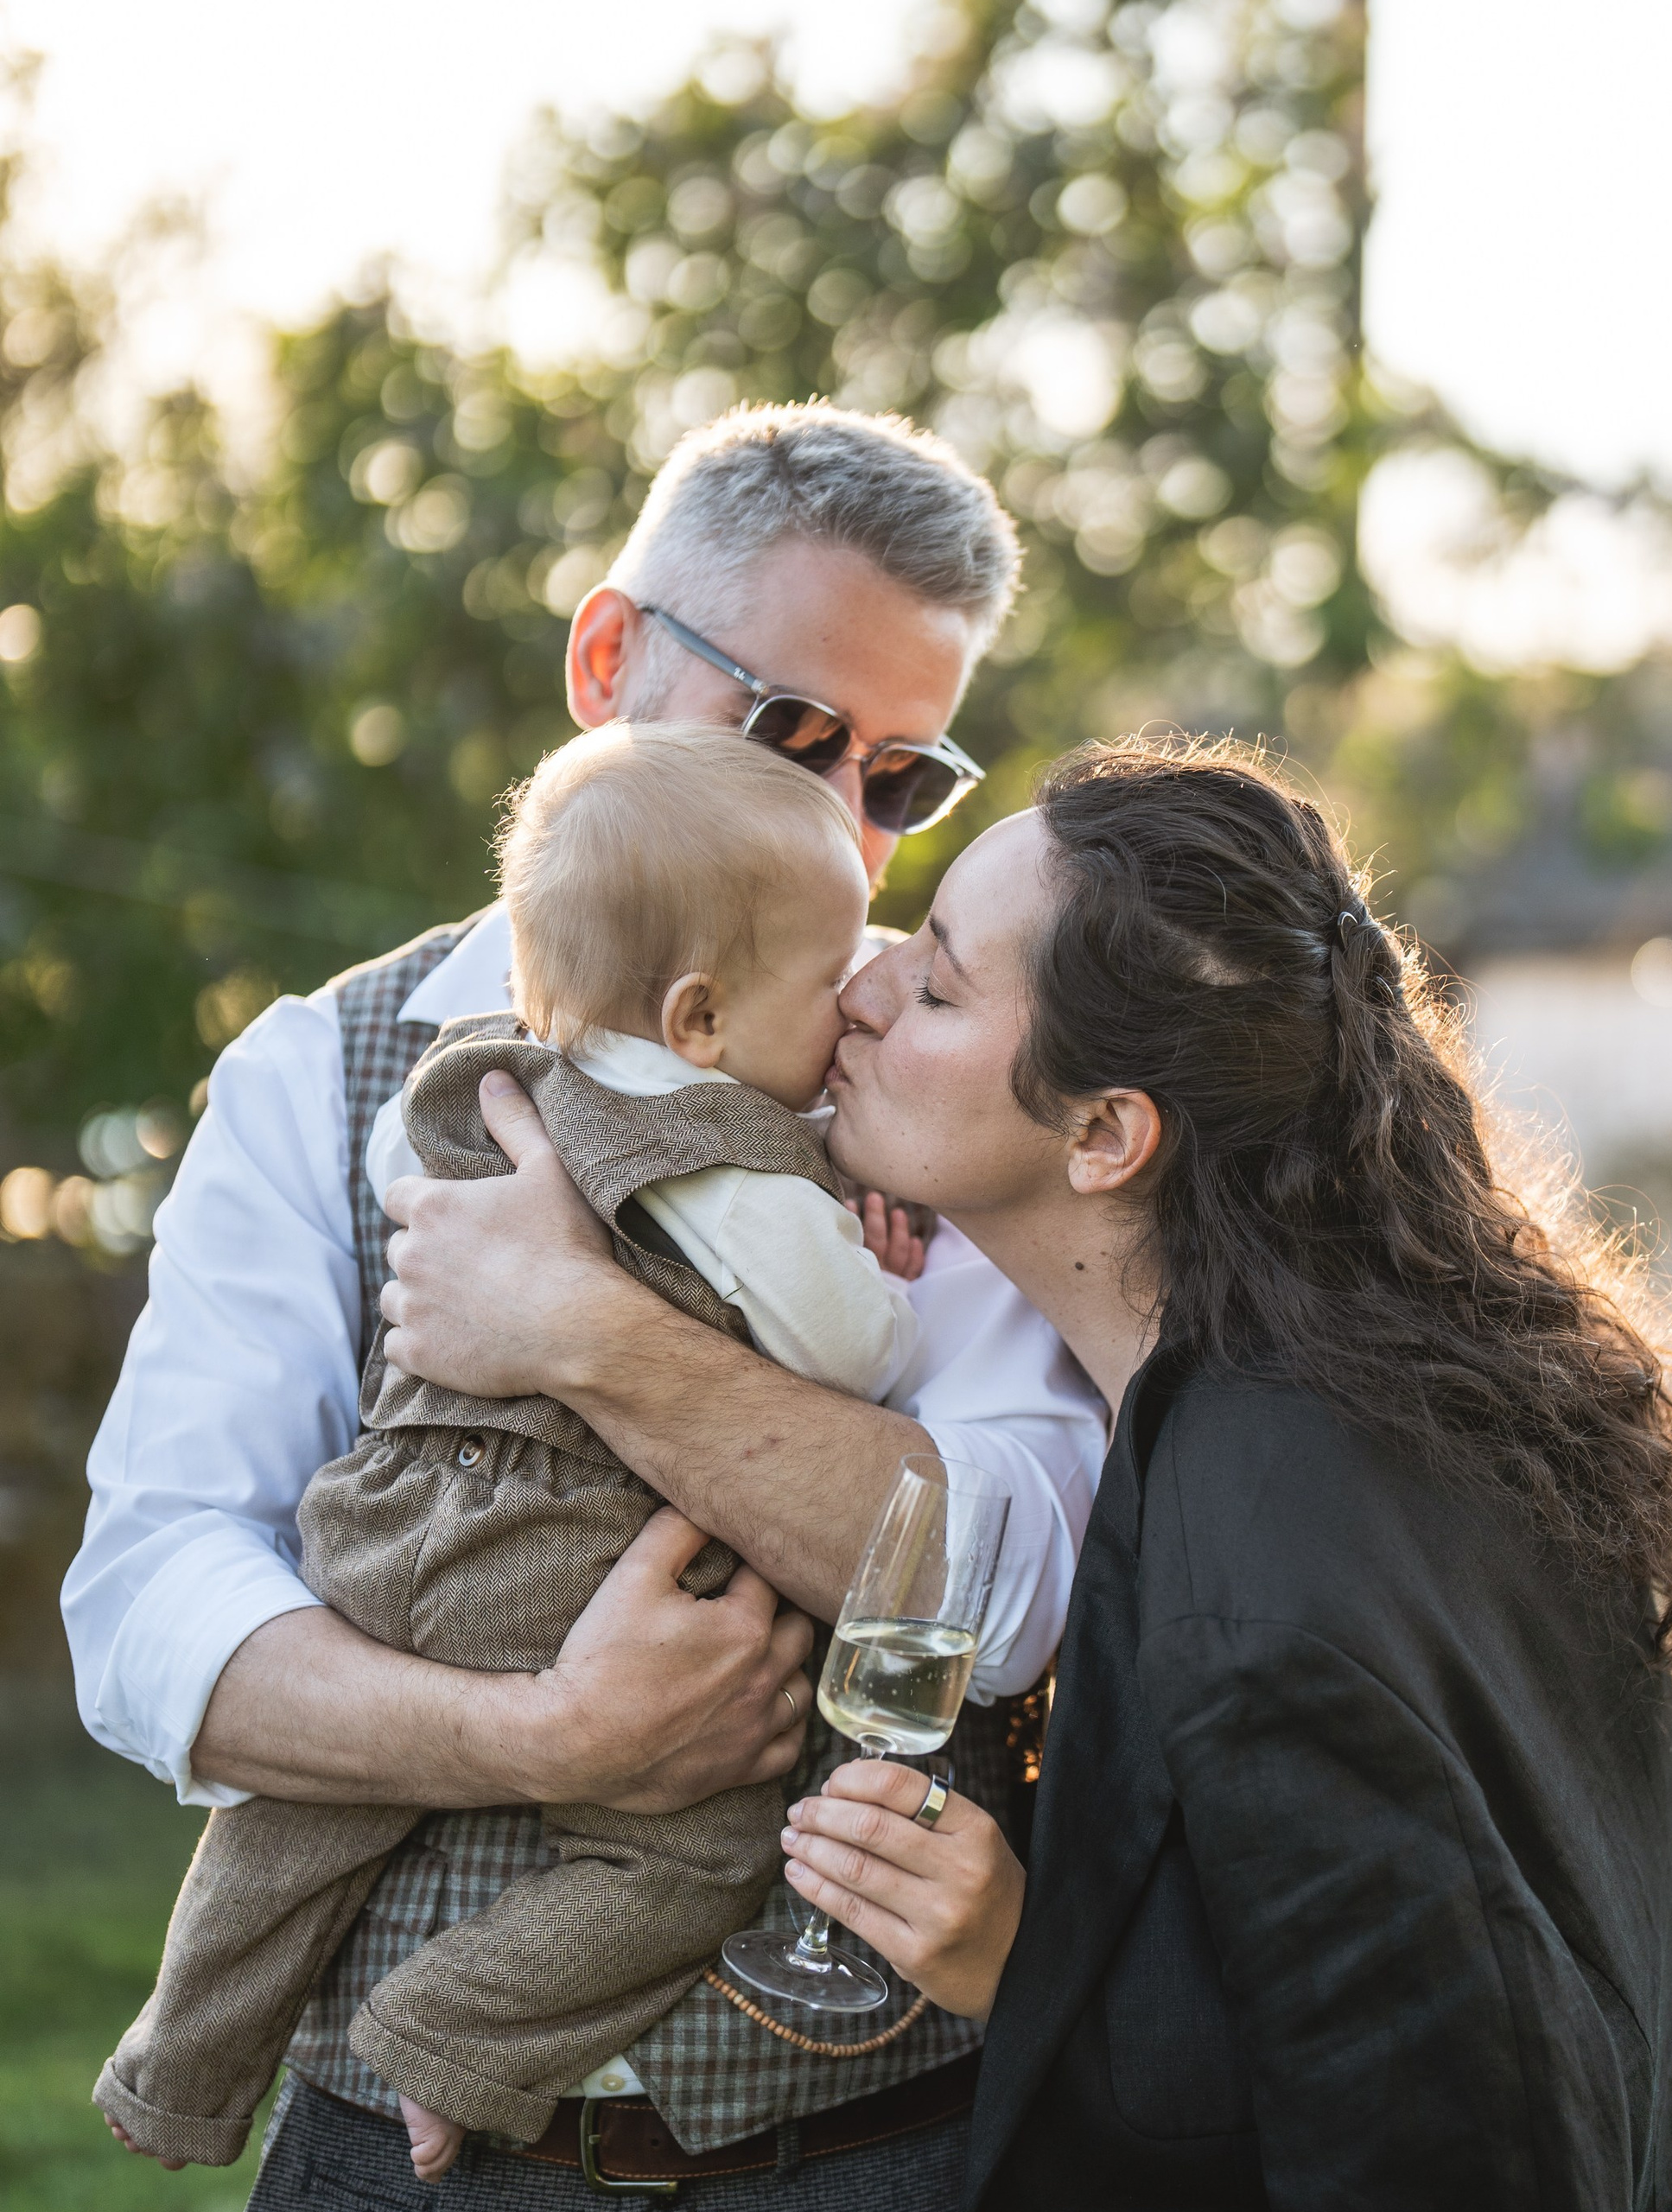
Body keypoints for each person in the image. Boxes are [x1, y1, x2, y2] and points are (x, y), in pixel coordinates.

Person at [64, 406, 1108, 2207]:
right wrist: (549, 1736)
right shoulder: (320, 1066)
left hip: (861, 2142)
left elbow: (1009, 1581)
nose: (839, 831)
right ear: (608, 657)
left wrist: (584, 1332)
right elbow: (153, 1605)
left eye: (901, 776)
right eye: (787, 733)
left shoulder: (948, 1079)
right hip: (391, 2163)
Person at [765, 739, 1672, 2209]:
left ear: (1104, 1134)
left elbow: (1435, 2142)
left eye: (939, 984)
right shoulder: (1399, 1374)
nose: (865, 989)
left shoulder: (1260, 1570)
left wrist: (1025, 1959)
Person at [99, 724, 927, 2184]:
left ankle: (174, 2069)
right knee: (684, 1859)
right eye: (794, 730)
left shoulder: (465, 1077)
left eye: (912, 770)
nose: (858, 993)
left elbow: (401, 1191)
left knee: (291, 1830)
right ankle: (447, 2042)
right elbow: (855, 1354)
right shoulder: (733, 1150)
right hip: (570, 1573)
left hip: (383, 1539)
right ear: (700, 1016)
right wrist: (862, 1246)